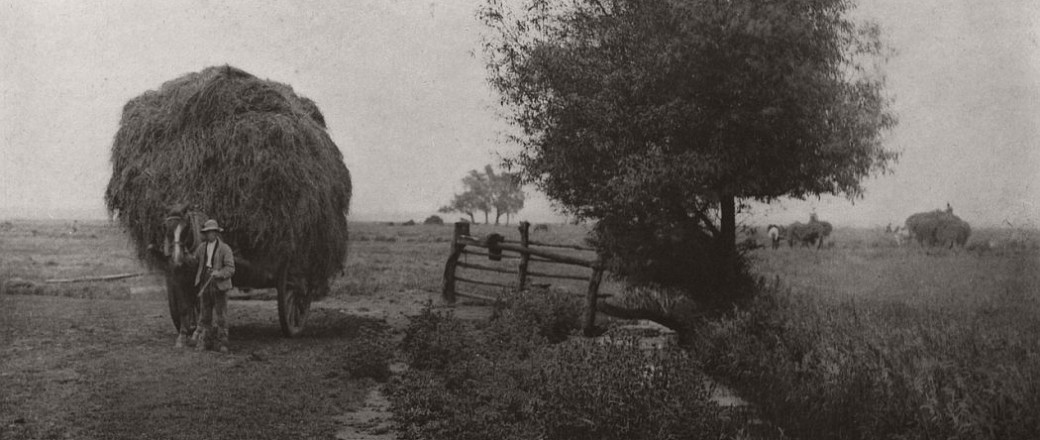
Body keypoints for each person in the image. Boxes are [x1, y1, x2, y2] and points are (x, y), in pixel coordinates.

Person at [183, 219, 235, 353]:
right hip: (204, 283)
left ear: (217, 233)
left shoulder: (225, 249)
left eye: (212, 232)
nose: (210, 234)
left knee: (221, 315)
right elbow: (195, 262)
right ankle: (206, 341)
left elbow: (230, 268)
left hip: (219, 285)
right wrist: (186, 256)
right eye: (207, 232)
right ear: (205, 234)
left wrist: (220, 273)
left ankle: (223, 342)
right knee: (205, 315)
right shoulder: (201, 248)